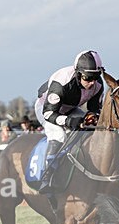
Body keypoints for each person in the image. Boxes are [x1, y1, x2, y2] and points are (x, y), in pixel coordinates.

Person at [35, 50, 105, 192]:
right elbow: (49, 113)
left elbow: (94, 109)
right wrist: (69, 121)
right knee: (58, 135)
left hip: (70, 108)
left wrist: (92, 117)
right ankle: (47, 176)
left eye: (96, 77)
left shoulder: (98, 84)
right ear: (78, 73)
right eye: (88, 77)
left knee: (89, 131)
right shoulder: (61, 82)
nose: (92, 83)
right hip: (46, 109)